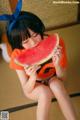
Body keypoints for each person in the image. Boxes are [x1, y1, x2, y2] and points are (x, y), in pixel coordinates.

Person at [7, 11, 77, 120]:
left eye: (35, 35)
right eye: (25, 41)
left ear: (40, 30)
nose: (33, 43)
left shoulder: (56, 44)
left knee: (56, 85)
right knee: (44, 93)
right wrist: (33, 77)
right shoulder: (17, 56)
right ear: (18, 44)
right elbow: (26, 89)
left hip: (54, 78)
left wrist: (57, 65)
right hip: (33, 88)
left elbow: (62, 79)